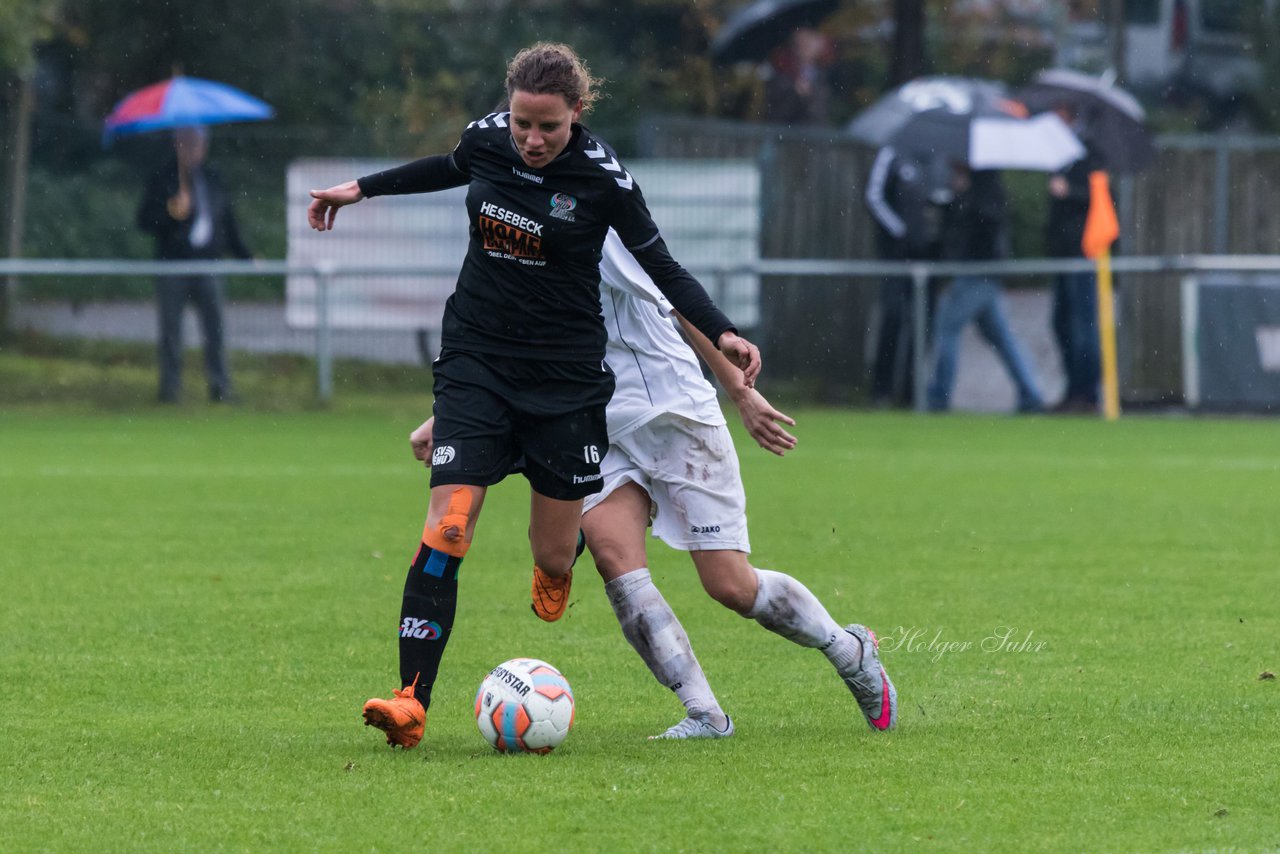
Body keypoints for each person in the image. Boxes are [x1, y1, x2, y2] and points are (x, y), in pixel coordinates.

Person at [306, 43, 761, 750]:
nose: (531, 139)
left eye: (547, 126)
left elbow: (663, 266)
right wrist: (359, 190)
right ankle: (410, 700)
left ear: (576, 114)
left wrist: (725, 333)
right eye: (522, 123)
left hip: (566, 381)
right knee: (449, 523)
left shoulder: (605, 179)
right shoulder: (488, 139)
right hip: (477, 361)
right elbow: (447, 168)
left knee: (552, 556)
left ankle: (552, 553)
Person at [408, 229, 898, 737]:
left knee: (729, 585)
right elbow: (507, 347)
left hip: (673, 411)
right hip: (595, 425)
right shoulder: (512, 239)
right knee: (616, 561)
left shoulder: (592, 223)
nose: (529, 147)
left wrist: (740, 392)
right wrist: (445, 415)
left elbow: (682, 301)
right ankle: (705, 714)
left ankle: (850, 650)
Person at [137, 126, 251, 403]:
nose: (193, 150)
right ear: (177, 145)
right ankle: (170, 389)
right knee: (171, 333)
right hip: (173, 266)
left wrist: (244, 255)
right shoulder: (163, 178)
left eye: (197, 145)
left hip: (208, 265)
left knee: (215, 330)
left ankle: (220, 387)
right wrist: (170, 211)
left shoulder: (212, 178)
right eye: (187, 144)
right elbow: (143, 220)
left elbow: (226, 221)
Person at [926, 162, 1045, 413]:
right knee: (1001, 336)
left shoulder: (985, 187)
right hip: (975, 271)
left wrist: (962, 198)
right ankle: (1031, 393)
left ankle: (938, 397)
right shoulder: (976, 186)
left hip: (980, 272)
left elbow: (986, 224)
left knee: (946, 327)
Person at [864, 145, 939, 407]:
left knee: (922, 325)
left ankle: (911, 393)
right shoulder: (891, 154)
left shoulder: (934, 157)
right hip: (895, 258)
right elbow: (873, 197)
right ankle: (881, 391)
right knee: (893, 317)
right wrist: (901, 232)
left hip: (926, 259)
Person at [1045, 105, 1100, 414]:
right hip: (1063, 251)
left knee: (1083, 326)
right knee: (1062, 324)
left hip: (1083, 251)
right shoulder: (1059, 155)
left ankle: (1087, 393)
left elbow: (1103, 197)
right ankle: (1072, 390)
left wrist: (1070, 191)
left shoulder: (1089, 152)